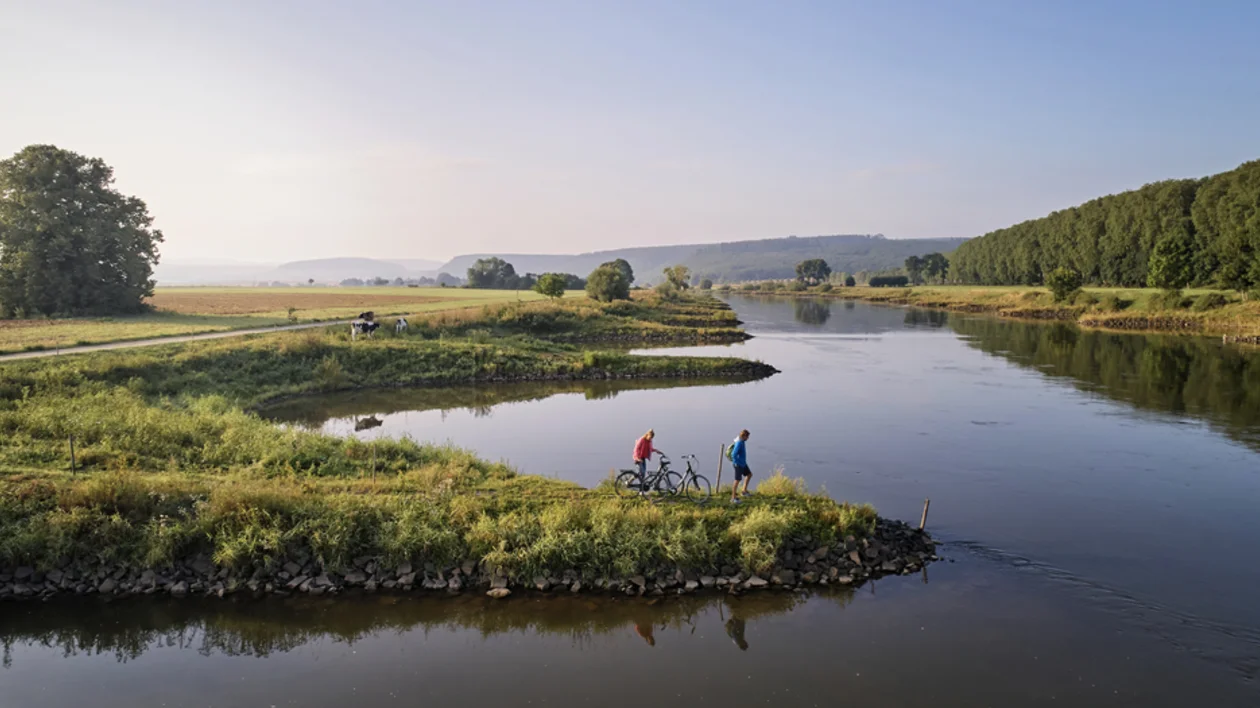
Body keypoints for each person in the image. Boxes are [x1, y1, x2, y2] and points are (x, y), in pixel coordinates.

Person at [730, 429, 752, 503]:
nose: (748, 438)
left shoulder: (742, 442)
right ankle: (733, 498)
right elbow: (733, 454)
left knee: (749, 475)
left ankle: (744, 491)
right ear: (744, 436)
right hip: (738, 464)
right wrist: (737, 462)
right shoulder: (739, 443)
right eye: (747, 436)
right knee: (737, 480)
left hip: (743, 463)